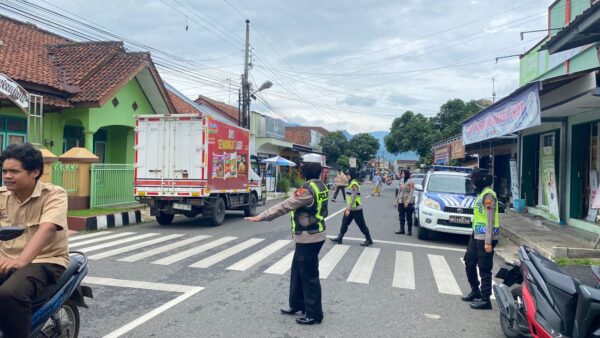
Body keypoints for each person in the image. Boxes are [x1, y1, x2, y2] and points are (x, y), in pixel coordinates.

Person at [245, 153, 327, 325]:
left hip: (309, 237)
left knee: (309, 275)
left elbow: (286, 205)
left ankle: (314, 313)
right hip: (311, 235)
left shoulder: (307, 190)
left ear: (308, 168)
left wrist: (263, 216)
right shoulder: (320, 185)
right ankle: (297, 304)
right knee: (298, 270)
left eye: (303, 166)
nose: (300, 168)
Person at [0, 143, 69, 337]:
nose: (7, 176)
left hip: (45, 261)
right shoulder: (1, 195)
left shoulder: (54, 194)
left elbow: (46, 228)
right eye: (4, 171)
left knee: (10, 294)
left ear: (35, 172)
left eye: (14, 171)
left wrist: (21, 260)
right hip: (5, 260)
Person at [461, 168, 499, 310]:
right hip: (476, 235)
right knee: (469, 262)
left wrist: (488, 242)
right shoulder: (481, 194)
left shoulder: (489, 196)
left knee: (484, 267)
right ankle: (475, 290)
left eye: (475, 179)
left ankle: (485, 299)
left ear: (481, 180)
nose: (473, 182)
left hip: (486, 237)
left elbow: (490, 219)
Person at [330, 169, 373, 246]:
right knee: (344, 223)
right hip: (350, 208)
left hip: (356, 209)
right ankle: (340, 237)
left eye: (348, 175)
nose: (346, 176)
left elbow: (353, 197)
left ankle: (369, 239)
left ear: (351, 175)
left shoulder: (354, 184)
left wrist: (348, 209)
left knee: (361, 224)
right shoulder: (350, 183)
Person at [393, 170, 415, 235]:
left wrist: (407, 202)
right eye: (402, 173)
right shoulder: (401, 181)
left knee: (409, 217)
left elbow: (411, 192)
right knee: (401, 216)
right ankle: (402, 230)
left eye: (403, 173)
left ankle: (409, 231)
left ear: (407, 174)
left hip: (408, 202)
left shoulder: (411, 181)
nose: (402, 174)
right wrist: (396, 202)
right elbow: (399, 192)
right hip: (401, 201)